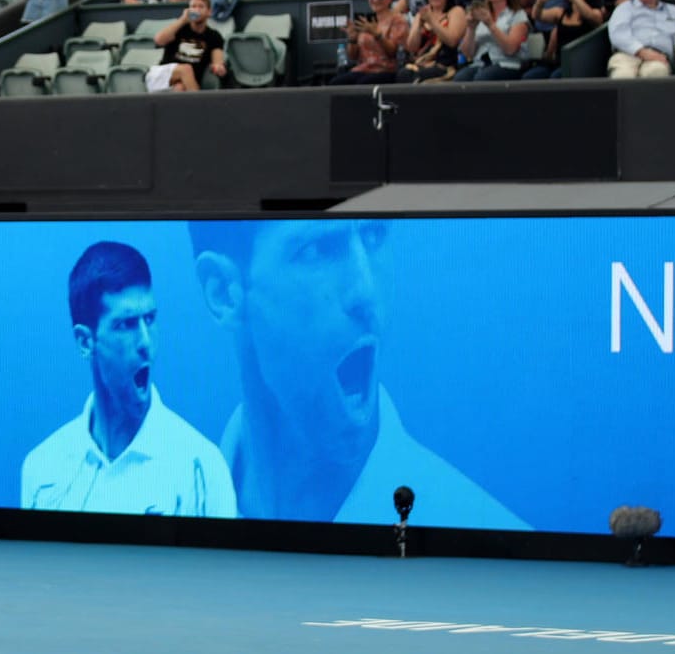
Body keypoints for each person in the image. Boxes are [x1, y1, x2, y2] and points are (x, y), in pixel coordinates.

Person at [188, 218, 527, 528]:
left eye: (373, 235)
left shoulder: (485, 541)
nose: (366, 291)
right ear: (223, 292)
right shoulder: (164, 505)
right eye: (317, 250)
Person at [20, 241, 236, 517]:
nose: (146, 342)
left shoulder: (202, 466)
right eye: (126, 324)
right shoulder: (42, 466)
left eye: (150, 319)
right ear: (85, 342)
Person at [146, 0, 227, 92]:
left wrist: (218, 67)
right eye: (193, 6)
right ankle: (199, 104)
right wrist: (182, 20)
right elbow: (159, 40)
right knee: (186, 69)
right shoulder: (180, 28)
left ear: (209, 12)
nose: (196, 10)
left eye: (201, 6)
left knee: (180, 88)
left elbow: (217, 61)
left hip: (187, 82)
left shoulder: (214, 36)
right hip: (163, 74)